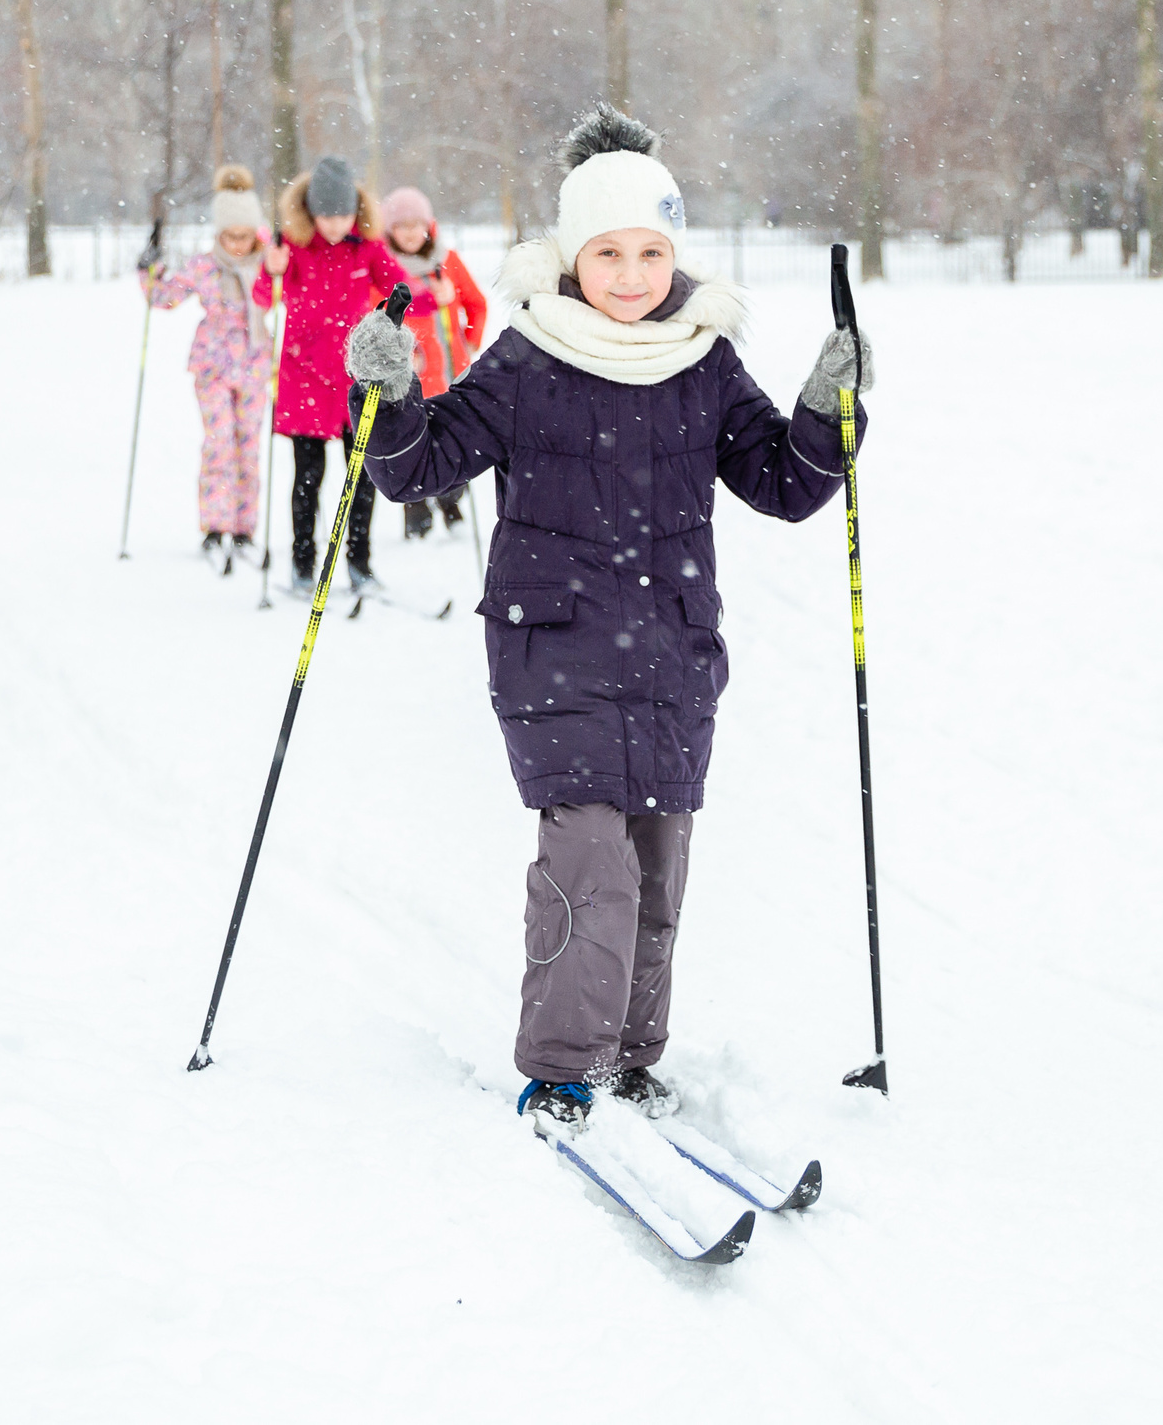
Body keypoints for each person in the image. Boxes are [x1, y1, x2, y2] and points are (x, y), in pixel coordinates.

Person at [346, 105, 876, 1132]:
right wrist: (389, 394)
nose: (630, 275)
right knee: (589, 865)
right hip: (553, 651)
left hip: (672, 653)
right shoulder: (527, 357)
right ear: (568, 255)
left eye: (649, 252)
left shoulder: (702, 359)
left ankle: (632, 1057)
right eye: (607, 253)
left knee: (654, 867)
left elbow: (785, 483)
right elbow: (418, 469)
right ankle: (560, 1064)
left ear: (673, 256)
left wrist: (827, 411)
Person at [259, 155, 427, 596]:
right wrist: (270, 269)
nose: (335, 224)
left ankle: (360, 562)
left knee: (364, 475)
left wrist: (431, 294)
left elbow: (402, 289)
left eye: (344, 214)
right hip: (303, 378)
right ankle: (301, 563)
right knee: (307, 478)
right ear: (310, 213)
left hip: (357, 379)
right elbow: (263, 294)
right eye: (326, 215)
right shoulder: (293, 248)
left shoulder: (366, 248)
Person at [139, 165, 276, 575]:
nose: (237, 244)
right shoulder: (204, 266)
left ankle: (244, 526)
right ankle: (216, 524)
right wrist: (149, 270)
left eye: (244, 235)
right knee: (220, 444)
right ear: (218, 234)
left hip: (254, 364)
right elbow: (164, 297)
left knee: (247, 446)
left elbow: (295, 293)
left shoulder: (269, 263)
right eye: (229, 235)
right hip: (213, 364)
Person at [379, 185, 490, 540]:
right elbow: (373, 313)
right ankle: (417, 513)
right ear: (390, 230)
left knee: (452, 442)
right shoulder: (385, 268)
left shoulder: (448, 261)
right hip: (408, 379)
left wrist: (468, 341)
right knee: (411, 446)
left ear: (430, 226)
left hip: (451, 374)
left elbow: (477, 304)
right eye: (402, 225)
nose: (411, 232)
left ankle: (452, 502)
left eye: (418, 224)